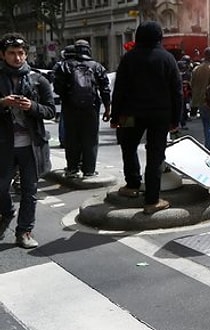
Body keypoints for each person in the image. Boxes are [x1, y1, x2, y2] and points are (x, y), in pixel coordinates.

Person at [110, 20, 183, 214]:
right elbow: (177, 91)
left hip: (129, 114)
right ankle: (152, 199)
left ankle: (132, 185)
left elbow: (119, 90)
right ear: (159, 37)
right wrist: (176, 119)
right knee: (155, 154)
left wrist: (115, 116)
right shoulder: (167, 59)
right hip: (160, 115)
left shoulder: (128, 58)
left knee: (128, 146)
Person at [0, 32, 56, 248]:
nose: (17, 58)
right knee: (2, 187)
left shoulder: (38, 79)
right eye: (12, 53)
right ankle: (6, 213)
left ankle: (24, 231)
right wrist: (3, 103)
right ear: (3, 55)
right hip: (4, 145)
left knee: (30, 191)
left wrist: (31, 107)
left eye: (21, 53)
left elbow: (50, 111)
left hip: (31, 146)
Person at [53, 39, 111, 178]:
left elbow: (57, 88)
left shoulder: (64, 66)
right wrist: (107, 108)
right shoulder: (97, 66)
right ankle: (89, 170)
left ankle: (72, 168)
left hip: (70, 108)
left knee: (72, 138)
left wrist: (68, 97)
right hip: (91, 108)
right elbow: (105, 89)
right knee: (90, 139)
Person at [190, 47, 210, 149]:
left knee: (206, 125)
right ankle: (209, 148)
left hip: (199, 101)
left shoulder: (196, 68)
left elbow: (192, 84)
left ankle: (207, 146)